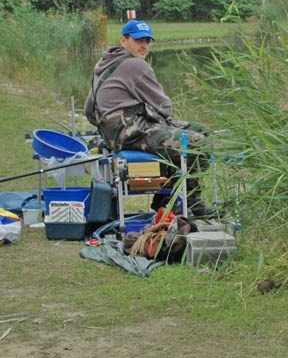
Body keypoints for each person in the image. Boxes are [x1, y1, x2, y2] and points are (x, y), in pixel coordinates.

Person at [84, 19, 215, 218]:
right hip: (133, 133)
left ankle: (166, 200)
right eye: (138, 40)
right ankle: (191, 203)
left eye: (147, 41)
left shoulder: (103, 64)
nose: (144, 46)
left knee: (198, 130)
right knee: (199, 142)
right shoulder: (136, 65)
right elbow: (164, 107)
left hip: (117, 134)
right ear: (123, 40)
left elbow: (88, 111)